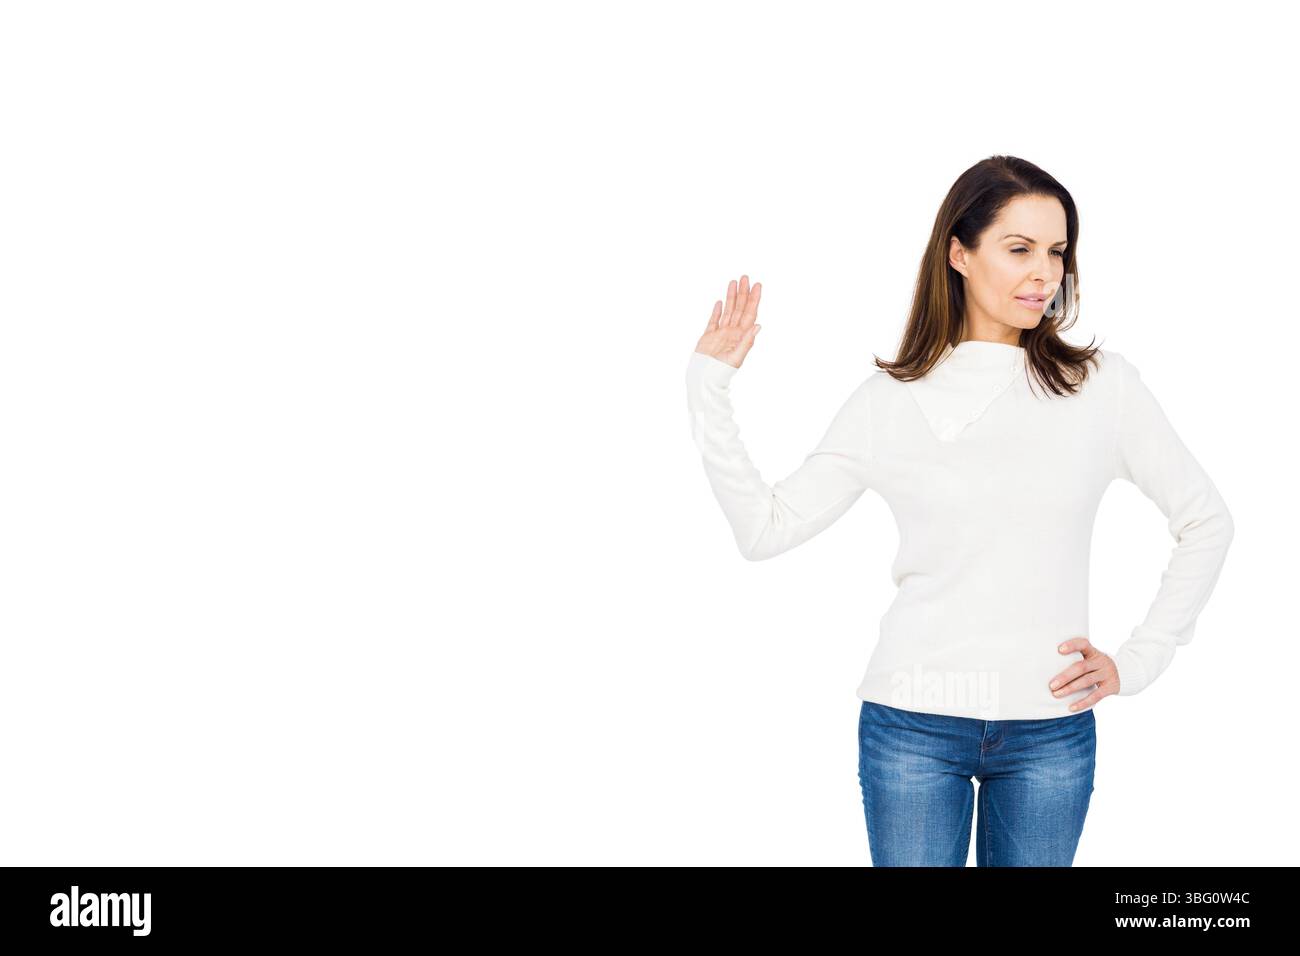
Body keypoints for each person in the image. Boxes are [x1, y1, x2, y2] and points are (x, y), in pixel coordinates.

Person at [682, 155, 1235, 866]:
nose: (1045, 272)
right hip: (912, 725)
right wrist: (708, 387)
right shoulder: (889, 400)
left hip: (1049, 730)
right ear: (959, 253)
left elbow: (1205, 520)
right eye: (1019, 249)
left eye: (1058, 252)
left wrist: (1138, 661)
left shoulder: (1102, 388)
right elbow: (765, 530)